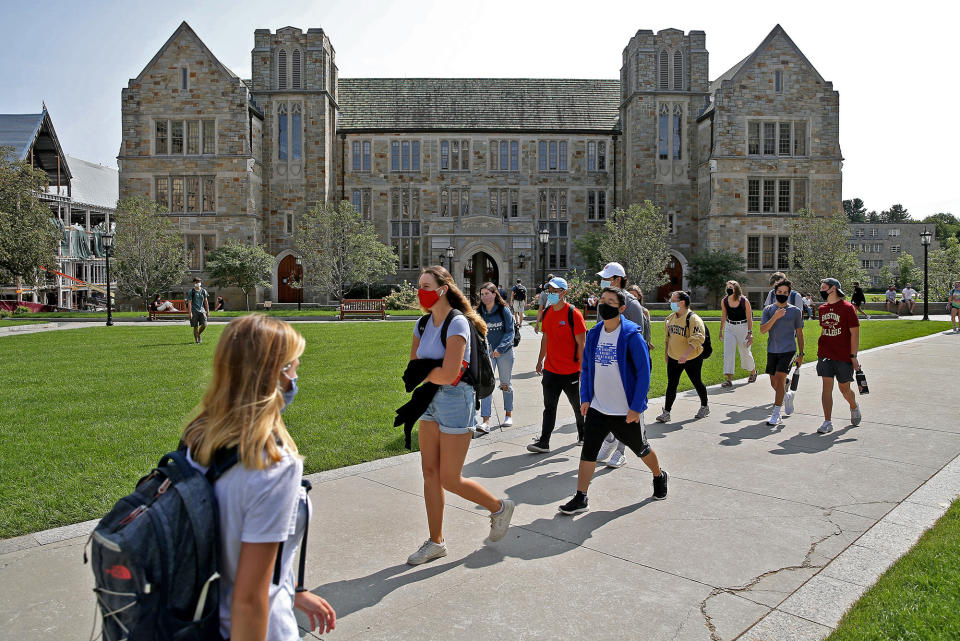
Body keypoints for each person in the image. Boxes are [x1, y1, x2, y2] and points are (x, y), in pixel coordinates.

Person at [181, 315, 336, 640]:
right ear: (275, 375)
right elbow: (251, 599)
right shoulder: (273, 467)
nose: (296, 376)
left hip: (198, 619)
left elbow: (233, 538)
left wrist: (292, 588)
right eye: (293, 366)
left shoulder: (198, 436)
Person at [407, 266, 514, 565]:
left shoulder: (458, 324)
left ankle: (499, 507)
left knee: (449, 478)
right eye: (419, 285)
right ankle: (435, 542)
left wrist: (428, 372)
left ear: (443, 288)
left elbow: (450, 372)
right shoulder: (422, 324)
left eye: (426, 285)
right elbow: (416, 368)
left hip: (456, 401)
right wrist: (431, 373)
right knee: (429, 473)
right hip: (428, 401)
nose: (421, 290)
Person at [558, 287, 668, 514]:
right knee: (588, 452)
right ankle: (581, 497)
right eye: (602, 300)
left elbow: (643, 373)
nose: (604, 304)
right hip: (598, 408)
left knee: (641, 449)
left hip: (624, 411)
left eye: (610, 301)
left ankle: (659, 475)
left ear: (622, 308)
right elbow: (587, 368)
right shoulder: (595, 333)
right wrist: (586, 397)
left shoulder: (631, 335)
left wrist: (637, 407)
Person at [594, 262, 652, 468]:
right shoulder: (605, 302)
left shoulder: (632, 305)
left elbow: (638, 341)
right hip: (607, 365)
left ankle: (621, 451)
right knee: (608, 407)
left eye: (607, 278)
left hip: (626, 369)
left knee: (626, 412)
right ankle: (609, 441)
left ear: (617, 280)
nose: (603, 282)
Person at [528, 276, 587, 453]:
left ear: (564, 293)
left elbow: (581, 344)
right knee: (549, 407)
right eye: (549, 291)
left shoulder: (573, 314)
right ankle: (544, 442)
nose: (551, 294)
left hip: (571, 371)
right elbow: (545, 338)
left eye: (555, 291)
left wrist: (582, 368)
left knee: (578, 407)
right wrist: (540, 361)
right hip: (551, 371)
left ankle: (583, 435)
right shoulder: (547, 313)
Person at [816, 277, 862, 434]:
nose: (821, 290)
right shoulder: (822, 309)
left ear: (833, 288)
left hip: (843, 355)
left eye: (823, 287)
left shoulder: (848, 308)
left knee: (844, 389)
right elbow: (824, 330)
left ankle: (853, 405)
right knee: (826, 387)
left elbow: (854, 334)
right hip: (825, 353)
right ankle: (827, 421)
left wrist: (853, 356)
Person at [656, 291, 710, 422]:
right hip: (674, 357)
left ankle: (704, 406)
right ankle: (666, 412)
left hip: (692, 358)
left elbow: (698, 339)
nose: (670, 302)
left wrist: (686, 354)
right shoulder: (669, 318)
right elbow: (667, 339)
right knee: (672, 384)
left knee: (697, 382)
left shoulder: (693, 319)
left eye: (673, 300)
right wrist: (667, 354)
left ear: (682, 303)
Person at [759, 280, 805, 426]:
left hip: (789, 350)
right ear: (774, 293)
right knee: (774, 382)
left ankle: (776, 414)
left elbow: (800, 332)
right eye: (780, 292)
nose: (782, 295)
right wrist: (776, 316)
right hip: (772, 350)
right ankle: (787, 396)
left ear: (789, 294)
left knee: (780, 379)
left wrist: (801, 354)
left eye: (785, 293)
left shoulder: (795, 311)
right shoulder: (768, 310)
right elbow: (763, 330)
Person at [476, 282, 516, 434]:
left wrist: (501, 348)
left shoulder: (503, 310)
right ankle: (485, 420)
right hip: (487, 354)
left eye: (487, 293)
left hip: (504, 352)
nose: (484, 296)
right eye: (482, 294)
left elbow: (510, 331)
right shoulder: (479, 311)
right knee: (486, 385)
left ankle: (508, 414)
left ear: (494, 294)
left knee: (505, 383)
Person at [718, 280, 757, 387]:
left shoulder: (744, 301)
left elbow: (750, 318)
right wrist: (721, 330)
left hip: (743, 327)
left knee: (744, 350)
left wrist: (750, 333)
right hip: (729, 327)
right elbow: (724, 316)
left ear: (736, 289)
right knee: (728, 352)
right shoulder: (724, 301)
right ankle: (729, 379)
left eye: (731, 287)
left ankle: (753, 372)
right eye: (728, 287)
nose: (729, 289)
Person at [186, 277, 210, 344]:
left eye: (199, 281)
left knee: (204, 325)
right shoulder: (191, 291)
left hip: (202, 310)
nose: (198, 283)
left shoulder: (203, 291)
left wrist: (207, 311)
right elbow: (189, 302)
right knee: (195, 326)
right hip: (194, 311)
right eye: (196, 282)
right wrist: (190, 312)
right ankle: (197, 341)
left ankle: (198, 334)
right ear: (194, 283)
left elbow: (206, 301)